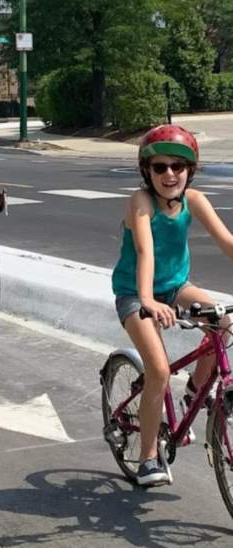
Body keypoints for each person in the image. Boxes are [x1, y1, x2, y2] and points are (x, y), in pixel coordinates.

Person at [112, 125, 233, 487]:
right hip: (136, 292)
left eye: (178, 166)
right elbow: (145, 251)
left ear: (189, 171)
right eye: (159, 167)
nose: (169, 174)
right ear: (146, 171)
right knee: (159, 371)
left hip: (177, 287)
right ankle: (149, 455)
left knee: (223, 323)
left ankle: (195, 391)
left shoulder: (193, 200)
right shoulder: (141, 201)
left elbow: (227, 242)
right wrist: (147, 300)